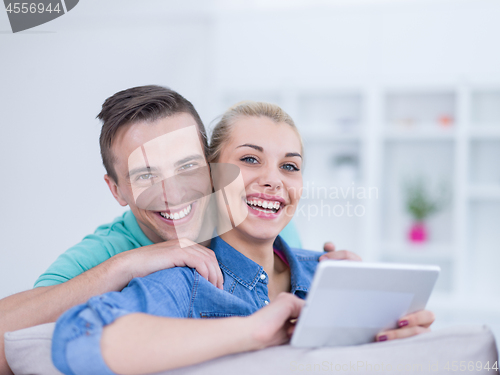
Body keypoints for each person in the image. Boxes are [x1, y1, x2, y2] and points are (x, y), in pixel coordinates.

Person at [51, 101, 435, 375]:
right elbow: (76, 337)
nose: (274, 179)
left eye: (290, 166)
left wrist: (393, 339)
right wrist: (252, 331)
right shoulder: (189, 279)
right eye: (250, 159)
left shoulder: (328, 273)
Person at [0, 86, 358, 374]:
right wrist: (129, 263)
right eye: (145, 175)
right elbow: (28, 345)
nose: (172, 193)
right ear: (117, 190)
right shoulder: (112, 254)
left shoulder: (269, 232)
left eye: (186, 166)